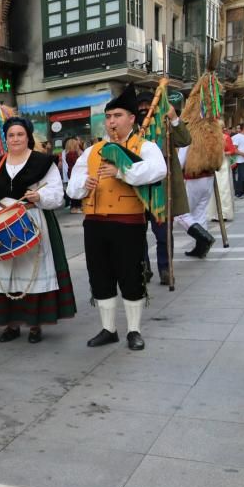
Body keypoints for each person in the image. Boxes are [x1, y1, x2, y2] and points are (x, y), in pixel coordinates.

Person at [66, 83, 168, 351]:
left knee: (130, 276)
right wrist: (82, 186)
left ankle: (134, 330)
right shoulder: (92, 150)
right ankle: (108, 329)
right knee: (99, 275)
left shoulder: (145, 146)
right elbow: (72, 185)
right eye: (108, 117)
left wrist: (122, 172)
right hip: (94, 222)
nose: (111, 122)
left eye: (117, 116)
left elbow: (158, 170)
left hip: (128, 222)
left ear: (132, 118)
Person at [0, 117, 76, 343]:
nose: (16, 139)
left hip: (31, 219)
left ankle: (34, 325)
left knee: (33, 271)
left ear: (28, 136)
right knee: (5, 272)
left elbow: (58, 194)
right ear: (6, 139)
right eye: (11, 135)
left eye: (20, 134)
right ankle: (11, 325)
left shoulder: (42, 162)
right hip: (0, 221)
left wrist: (39, 196)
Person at [136, 91, 191, 280]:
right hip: (138, 192)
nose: (144, 110)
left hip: (162, 189)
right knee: (137, 235)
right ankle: (143, 268)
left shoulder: (165, 126)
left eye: (147, 106)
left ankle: (166, 269)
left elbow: (185, 140)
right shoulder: (132, 130)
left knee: (163, 234)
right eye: (140, 107)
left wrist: (174, 117)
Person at [232, 124, 244, 198]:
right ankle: (238, 193)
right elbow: (234, 149)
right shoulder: (237, 137)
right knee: (242, 177)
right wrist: (243, 154)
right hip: (240, 160)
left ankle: (243, 192)